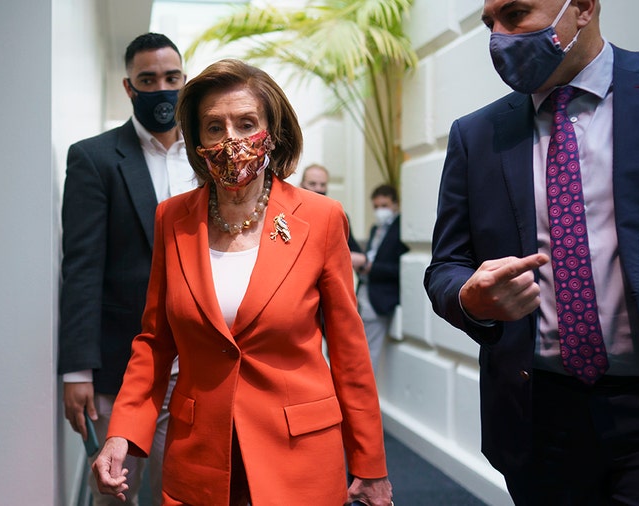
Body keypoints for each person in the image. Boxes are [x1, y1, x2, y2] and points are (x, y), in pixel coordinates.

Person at [92, 59, 392, 506]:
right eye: (214, 127)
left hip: (298, 453)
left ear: (272, 132)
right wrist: (122, 433)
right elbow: (155, 342)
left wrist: (370, 464)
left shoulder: (321, 218)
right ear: (196, 141)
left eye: (246, 123)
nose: (230, 139)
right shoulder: (173, 219)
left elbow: (349, 352)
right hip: (200, 454)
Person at [424, 1, 639, 504]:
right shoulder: (476, 135)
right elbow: (445, 267)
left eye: (516, 14)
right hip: (538, 416)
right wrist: (469, 298)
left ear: (583, 8)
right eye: (489, 24)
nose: (499, 37)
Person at [58, 33, 196, 506]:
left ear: (185, 79)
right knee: (116, 492)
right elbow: (81, 267)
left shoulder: (207, 155)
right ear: (129, 86)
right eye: (148, 79)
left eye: (171, 77)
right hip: (123, 363)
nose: (162, 88)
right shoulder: (94, 159)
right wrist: (77, 371)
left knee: (180, 488)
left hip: (197, 361)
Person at [356, 185, 408, 376]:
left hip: (380, 299)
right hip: (363, 294)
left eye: (384, 205)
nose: (380, 211)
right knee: (358, 351)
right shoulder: (375, 229)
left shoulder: (401, 228)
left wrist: (371, 267)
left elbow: (401, 267)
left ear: (395, 204)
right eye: (376, 206)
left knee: (368, 355)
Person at [299, 163, 366, 265]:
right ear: (301, 185)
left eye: (323, 185)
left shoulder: (338, 215)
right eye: (312, 184)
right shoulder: (293, 214)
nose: (318, 189)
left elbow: (357, 255)